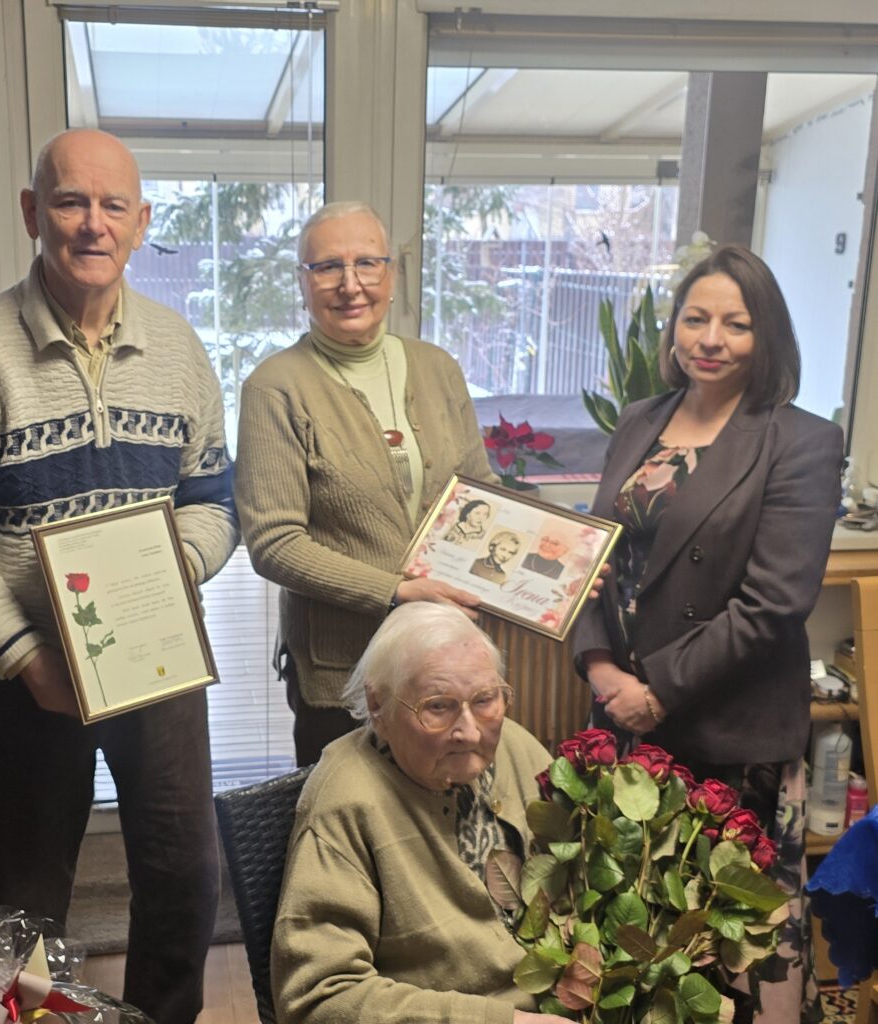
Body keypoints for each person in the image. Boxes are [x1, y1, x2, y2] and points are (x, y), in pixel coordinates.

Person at [0, 129, 238, 1024]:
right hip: (18, 676)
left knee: (186, 874)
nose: (91, 225)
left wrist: (163, 577)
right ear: (34, 214)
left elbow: (214, 505)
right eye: (70, 202)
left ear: (143, 223)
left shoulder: (180, 349)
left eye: (113, 207)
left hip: (154, 662)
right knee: (25, 901)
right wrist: (29, 658)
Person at [573, 244, 843, 1022]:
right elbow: (592, 557)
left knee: (731, 946)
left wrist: (655, 688)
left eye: (736, 323)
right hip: (621, 721)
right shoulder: (639, 420)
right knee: (634, 934)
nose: (710, 338)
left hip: (725, 731)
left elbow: (773, 602)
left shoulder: (801, 441)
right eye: (696, 318)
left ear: (769, 338)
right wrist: (599, 667)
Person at [236, 201, 497, 766]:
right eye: (327, 267)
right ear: (302, 284)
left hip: (446, 662)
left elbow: (479, 494)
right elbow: (274, 544)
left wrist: (553, 582)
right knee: (344, 831)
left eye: (367, 264)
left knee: (445, 827)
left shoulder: (438, 368)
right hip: (344, 675)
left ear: (393, 276)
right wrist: (394, 591)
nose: (350, 285)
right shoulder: (275, 388)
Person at [271, 601, 567, 1024]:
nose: (469, 731)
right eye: (438, 707)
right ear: (378, 705)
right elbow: (317, 1000)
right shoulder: (346, 800)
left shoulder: (516, 746)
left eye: (485, 699)